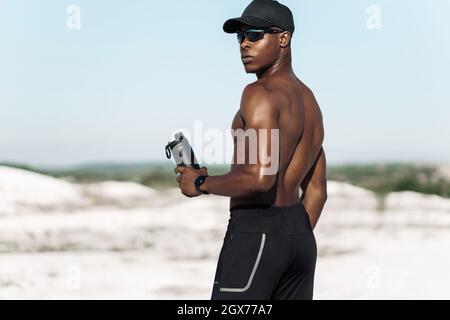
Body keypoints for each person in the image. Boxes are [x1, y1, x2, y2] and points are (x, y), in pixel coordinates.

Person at [175, 0, 327, 300]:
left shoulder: (259, 93)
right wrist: (288, 235)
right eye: (240, 37)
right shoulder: (310, 101)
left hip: (256, 231)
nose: (244, 44)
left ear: (283, 38)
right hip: (300, 240)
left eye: (255, 35)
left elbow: (260, 178)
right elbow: (317, 191)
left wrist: (201, 183)